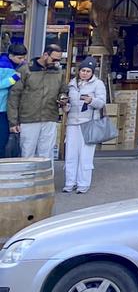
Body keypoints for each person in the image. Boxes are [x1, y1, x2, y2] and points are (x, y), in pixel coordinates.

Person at [12, 48, 68, 161]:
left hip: (49, 117)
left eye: (59, 59)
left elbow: (63, 90)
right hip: (29, 118)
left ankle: (44, 178)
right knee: (27, 153)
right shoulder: (25, 70)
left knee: (47, 154)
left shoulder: (58, 72)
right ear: (45, 55)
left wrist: (63, 98)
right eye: (54, 59)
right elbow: (14, 96)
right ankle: (27, 179)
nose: (56, 62)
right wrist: (13, 122)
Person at [64, 60, 108, 194]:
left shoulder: (98, 84)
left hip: (89, 122)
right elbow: (69, 103)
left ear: (92, 72)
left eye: (88, 71)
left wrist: (91, 100)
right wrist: (65, 106)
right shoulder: (72, 84)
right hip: (72, 121)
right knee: (70, 154)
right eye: (83, 70)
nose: (84, 73)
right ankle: (70, 182)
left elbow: (101, 103)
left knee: (86, 155)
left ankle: (83, 183)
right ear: (79, 71)